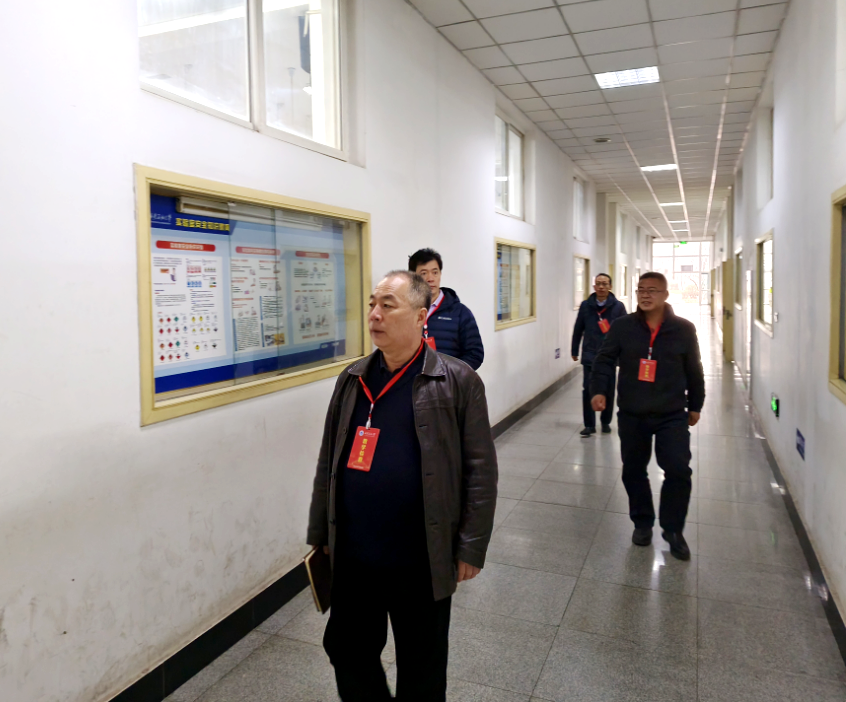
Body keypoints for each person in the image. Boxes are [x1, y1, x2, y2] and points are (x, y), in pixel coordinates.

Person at [307, 270, 498, 702]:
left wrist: (471, 545)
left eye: (387, 305)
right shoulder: (352, 378)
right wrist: (321, 534)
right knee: (346, 648)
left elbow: (481, 470)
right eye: (372, 304)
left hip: (421, 555)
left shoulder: (458, 381)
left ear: (420, 316)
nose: (374, 314)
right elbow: (328, 461)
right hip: (356, 553)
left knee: (421, 667)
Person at [589, 272, 704, 561]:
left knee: (678, 469)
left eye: (652, 290)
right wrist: (599, 390)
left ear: (665, 295)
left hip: (671, 413)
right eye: (641, 289)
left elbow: (694, 369)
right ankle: (642, 522)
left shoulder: (683, 329)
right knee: (633, 470)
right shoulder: (623, 326)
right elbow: (604, 359)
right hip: (633, 412)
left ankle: (673, 529)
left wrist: (696, 404)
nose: (645, 295)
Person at [408, 248, 484, 370]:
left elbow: (475, 354)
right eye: (423, 273)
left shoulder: (460, 313)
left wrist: (450, 375)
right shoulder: (404, 311)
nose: (430, 278)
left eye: (435, 272)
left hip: (449, 381)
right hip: (414, 380)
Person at [571, 272, 627, 437]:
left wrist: (625, 354)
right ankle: (589, 425)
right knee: (588, 389)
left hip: (610, 356)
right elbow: (578, 328)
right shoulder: (585, 306)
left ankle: (605, 421)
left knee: (608, 389)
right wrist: (574, 350)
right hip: (590, 354)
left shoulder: (618, 307)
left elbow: (626, 331)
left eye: (605, 284)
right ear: (594, 286)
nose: (601, 287)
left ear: (610, 286)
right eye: (598, 284)